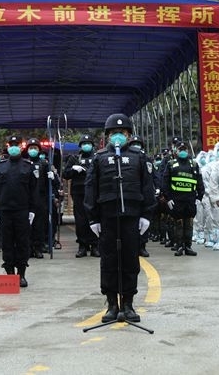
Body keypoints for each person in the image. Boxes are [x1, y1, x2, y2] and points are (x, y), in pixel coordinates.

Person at [84, 114, 156, 323]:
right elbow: (91, 188)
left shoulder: (138, 157)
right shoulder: (99, 158)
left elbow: (147, 187)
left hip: (131, 217)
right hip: (107, 218)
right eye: (114, 133)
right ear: (107, 136)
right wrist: (92, 218)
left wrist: (146, 215)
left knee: (130, 260)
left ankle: (128, 304)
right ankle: (112, 304)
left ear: (129, 135)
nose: (118, 136)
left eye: (122, 133)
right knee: (109, 261)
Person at [0, 135, 37, 287]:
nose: (13, 147)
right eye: (11, 145)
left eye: (16, 145)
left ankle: (21, 274)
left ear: (21, 147)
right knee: (7, 242)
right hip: (5, 210)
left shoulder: (28, 166)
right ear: (8, 146)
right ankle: (10, 273)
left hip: (22, 210)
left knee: (23, 242)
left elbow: (33, 190)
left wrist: (32, 210)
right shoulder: (0, 166)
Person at [162, 140, 205, 256]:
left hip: (190, 199)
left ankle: (188, 246)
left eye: (184, 149)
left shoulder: (194, 164)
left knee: (189, 224)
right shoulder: (171, 164)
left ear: (188, 151)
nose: (182, 151)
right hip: (176, 200)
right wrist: (168, 198)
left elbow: (199, 181)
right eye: (180, 149)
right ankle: (179, 246)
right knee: (179, 224)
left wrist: (199, 197)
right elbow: (165, 182)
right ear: (176, 151)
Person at [63, 134, 98, 258]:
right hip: (79, 193)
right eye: (84, 144)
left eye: (88, 144)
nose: (86, 146)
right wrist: (73, 169)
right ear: (80, 146)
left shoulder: (97, 158)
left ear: (92, 146)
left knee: (94, 219)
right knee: (80, 220)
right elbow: (65, 174)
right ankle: (82, 245)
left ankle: (95, 245)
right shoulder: (74, 158)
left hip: (94, 193)